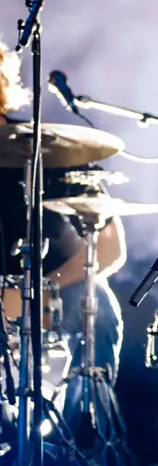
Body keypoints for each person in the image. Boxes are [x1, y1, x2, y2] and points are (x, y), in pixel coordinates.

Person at [0, 40, 126, 441]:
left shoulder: (52, 151)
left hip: (57, 291)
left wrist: (39, 288)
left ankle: (78, 446)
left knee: (100, 306)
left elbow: (109, 248)